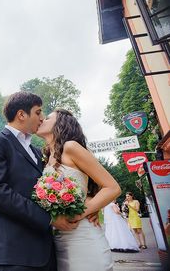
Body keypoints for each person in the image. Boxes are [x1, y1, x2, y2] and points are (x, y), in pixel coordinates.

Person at [0, 92, 79, 271]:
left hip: (47, 251)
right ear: (21, 114)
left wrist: (84, 207)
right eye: (38, 112)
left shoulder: (36, 151)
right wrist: (49, 219)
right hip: (16, 254)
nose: (42, 118)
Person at [35, 108, 121, 271]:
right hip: (59, 240)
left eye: (47, 118)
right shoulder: (47, 157)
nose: (42, 120)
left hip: (83, 237)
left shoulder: (71, 147)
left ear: (61, 123)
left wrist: (81, 212)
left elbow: (112, 187)